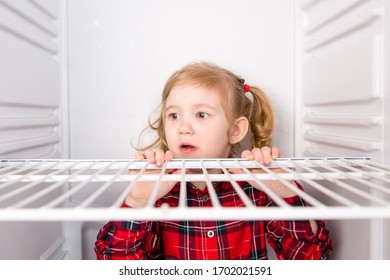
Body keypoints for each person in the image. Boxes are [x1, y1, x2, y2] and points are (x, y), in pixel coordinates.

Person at [94, 61, 332, 260]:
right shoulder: (156, 189)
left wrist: (283, 191)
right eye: (174, 115)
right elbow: (116, 265)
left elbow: (310, 258)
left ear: (236, 130)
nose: (184, 128)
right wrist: (138, 202)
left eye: (201, 115)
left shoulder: (255, 187)